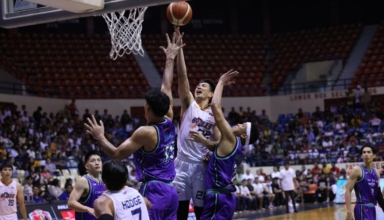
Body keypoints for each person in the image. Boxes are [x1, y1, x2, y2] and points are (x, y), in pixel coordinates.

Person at [85, 33, 184, 220]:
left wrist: (99, 137)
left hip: (155, 189)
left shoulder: (146, 132)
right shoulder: (169, 119)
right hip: (171, 190)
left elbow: (116, 154)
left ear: (147, 109)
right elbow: (167, 86)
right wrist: (170, 59)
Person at [173, 26, 221, 220]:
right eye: (198, 85)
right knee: (180, 212)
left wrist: (206, 144)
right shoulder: (189, 105)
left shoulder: (215, 115)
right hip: (181, 165)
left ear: (211, 94)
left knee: (202, 213)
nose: (199, 86)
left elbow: (219, 145)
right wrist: (179, 50)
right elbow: (183, 78)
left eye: (204, 86)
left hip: (201, 167)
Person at [199, 70, 259, 219]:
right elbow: (217, 139)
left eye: (242, 126)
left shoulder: (231, 139)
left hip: (219, 197)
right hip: (225, 197)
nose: (238, 124)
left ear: (244, 135)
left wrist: (220, 82)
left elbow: (216, 107)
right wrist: (211, 160)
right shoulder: (235, 145)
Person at [345, 146, 382, 220]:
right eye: (364, 152)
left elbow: (378, 194)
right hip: (362, 208)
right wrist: (349, 212)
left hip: (372, 208)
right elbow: (348, 190)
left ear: (374, 155)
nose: (366, 154)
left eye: (368, 152)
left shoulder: (376, 173)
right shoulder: (357, 170)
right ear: (361, 156)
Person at [68, 151, 105, 220]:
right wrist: (88, 209)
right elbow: (71, 203)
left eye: (99, 160)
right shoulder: (83, 181)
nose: (97, 163)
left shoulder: (104, 180)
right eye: (93, 161)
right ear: (87, 166)